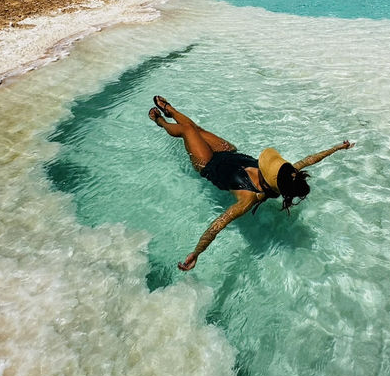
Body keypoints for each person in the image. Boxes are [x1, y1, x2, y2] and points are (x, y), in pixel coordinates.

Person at [148, 96, 354, 271]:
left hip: (208, 164)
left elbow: (218, 225)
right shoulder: (286, 175)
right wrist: (337, 148)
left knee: (188, 131)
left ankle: (161, 122)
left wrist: (196, 253)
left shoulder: (248, 198)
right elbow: (309, 160)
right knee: (197, 129)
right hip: (229, 152)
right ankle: (170, 110)